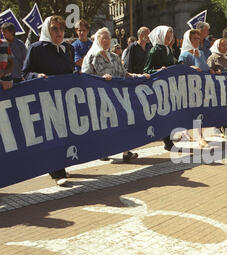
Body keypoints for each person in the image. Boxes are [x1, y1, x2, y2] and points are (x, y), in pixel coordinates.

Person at [81, 27, 150, 161]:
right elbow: (85, 77)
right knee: (104, 125)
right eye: (103, 38)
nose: (107, 40)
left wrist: (140, 76)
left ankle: (125, 152)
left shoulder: (114, 57)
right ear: (97, 40)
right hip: (100, 98)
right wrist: (100, 80)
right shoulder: (91, 56)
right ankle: (102, 151)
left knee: (122, 123)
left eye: (108, 37)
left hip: (117, 96)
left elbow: (124, 74)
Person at [22, 16, 75, 186]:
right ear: (47, 30)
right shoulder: (36, 49)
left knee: (66, 134)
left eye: (61, 29)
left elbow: (70, 70)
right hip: (46, 103)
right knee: (53, 136)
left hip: (66, 101)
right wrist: (37, 76)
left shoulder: (68, 48)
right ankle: (57, 172)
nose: (59, 33)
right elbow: (26, 73)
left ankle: (61, 166)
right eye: (54, 29)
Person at [143, 26, 178, 150]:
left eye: (170, 37)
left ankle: (169, 141)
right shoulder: (155, 51)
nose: (169, 39)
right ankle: (167, 142)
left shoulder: (169, 49)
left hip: (169, 86)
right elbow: (146, 70)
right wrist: (158, 70)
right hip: (159, 87)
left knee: (170, 114)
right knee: (164, 114)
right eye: (167, 37)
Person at [178, 29, 212, 147]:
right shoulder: (184, 54)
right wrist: (191, 68)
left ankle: (196, 134)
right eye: (194, 39)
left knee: (199, 110)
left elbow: (204, 67)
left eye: (198, 38)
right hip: (188, 86)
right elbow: (181, 69)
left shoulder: (201, 53)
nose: (197, 41)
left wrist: (211, 69)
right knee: (192, 110)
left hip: (201, 85)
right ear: (189, 40)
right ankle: (197, 136)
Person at [207, 38, 227, 138]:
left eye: (226, 45)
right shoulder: (213, 58)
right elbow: (209, 71)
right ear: (217, 46)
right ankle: (219, 128)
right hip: (218, 89)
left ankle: (226, 129)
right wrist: (215, 72)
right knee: (221, 109)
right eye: (223, 45)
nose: (225, 47)